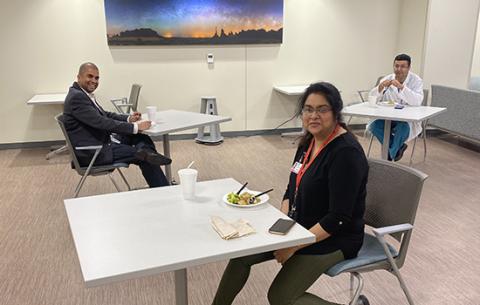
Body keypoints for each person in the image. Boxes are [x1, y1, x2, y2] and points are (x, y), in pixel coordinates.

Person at [211, 82, 369, 305]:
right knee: (242, 255)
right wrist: (285, 224)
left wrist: (292, 246)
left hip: (335, 237)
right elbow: (291, 190)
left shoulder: (346, 154)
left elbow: (338, 219)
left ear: (336, 112)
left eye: (322, 109)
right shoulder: (308, 142)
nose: (313, 116)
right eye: (308, 109)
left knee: (281, 297)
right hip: (299, 227)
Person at [63, 62, 170, 188]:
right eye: (90, 76)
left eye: (97, 78)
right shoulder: (77, 97)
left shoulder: (82, 94)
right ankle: (163, 187)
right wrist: (135, 127)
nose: (94, 81)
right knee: (143, 156)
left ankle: (149, 156)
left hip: (104, 141)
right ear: (79, 77)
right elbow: (102, 122)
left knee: (141, 138)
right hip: (95, 151)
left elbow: (105, 115)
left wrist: (129, 118)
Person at [368, 54, 424, 161]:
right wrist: (379, 88)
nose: (399, 69)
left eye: (402, 66)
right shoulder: (388, 78)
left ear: (409, 68)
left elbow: (417, 101)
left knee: (402, 128)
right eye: (396, 66)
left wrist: (401, 88)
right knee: (374, 126)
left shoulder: (416, 81)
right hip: (388, 116)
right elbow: (373, 98)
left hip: (406, 119)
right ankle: (397, 148)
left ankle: (390, 156)